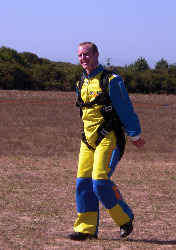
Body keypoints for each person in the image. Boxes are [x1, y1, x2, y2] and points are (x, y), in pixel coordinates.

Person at [68, 42, 145, 241]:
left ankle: (125, 219)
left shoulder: (111, 80)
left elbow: (125, 108)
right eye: (80, 56)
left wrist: (134, 134)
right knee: (83, 183)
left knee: (99, 182)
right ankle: (86, 228)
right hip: (87, 140)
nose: (83, 59)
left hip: (108, 137)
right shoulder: (81, 82)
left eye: (86, 54)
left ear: (96, 55)